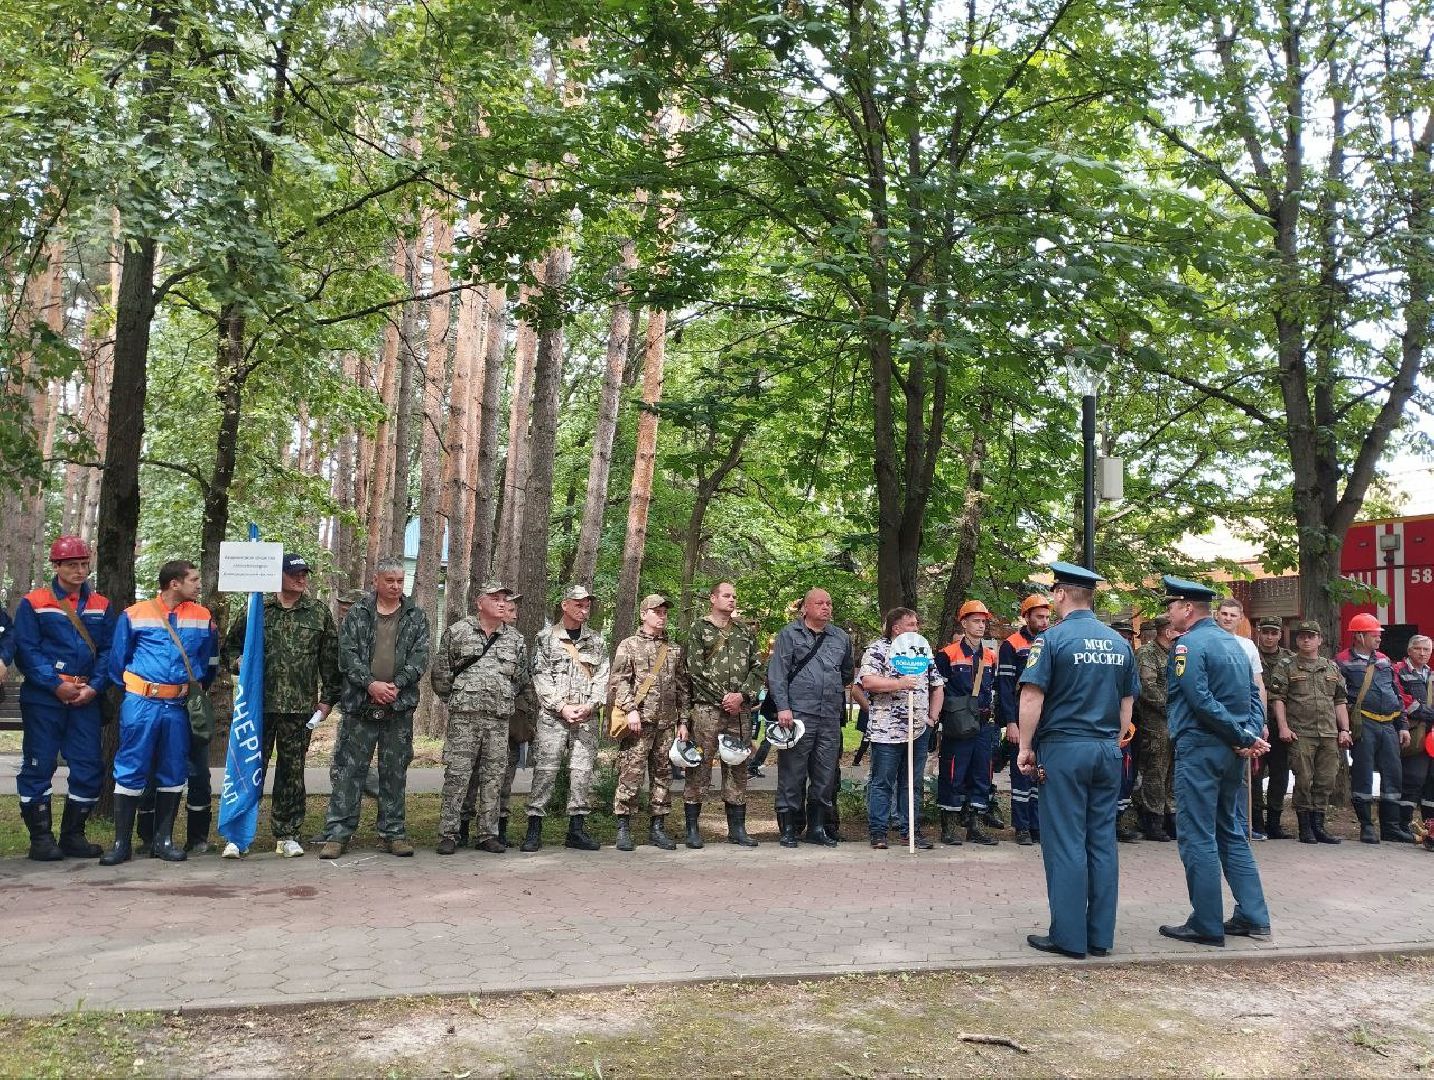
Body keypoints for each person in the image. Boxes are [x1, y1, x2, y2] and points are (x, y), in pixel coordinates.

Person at [1016, 561, 1136, 959]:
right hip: (1106, 750)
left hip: (1065, 749)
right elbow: (1126, 700)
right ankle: (1100, 936)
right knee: (1102, 840)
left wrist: (1025, 747)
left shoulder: (1051, 641)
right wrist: (1116, 738)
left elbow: (1032, 696)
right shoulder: (1119, 643)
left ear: (1062, 594)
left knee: (1066, 841)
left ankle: (1069, 937)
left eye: (1054, 593)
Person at [1158, 575, 1272, 946]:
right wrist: (1249, 734)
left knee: (1197, 834)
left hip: (1202, 748)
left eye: (1172, 605)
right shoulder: (1236, 644)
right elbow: (1254, 696)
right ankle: (1254, 916)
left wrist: (1243, 736)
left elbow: (1199, 700)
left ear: (1187, 608)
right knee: (1231, 831)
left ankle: (1205, 923)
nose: (1169, 612)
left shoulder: (1188, 646)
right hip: (1231, 751)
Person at [221, 553, 341, 858]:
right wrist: (237, 662)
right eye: (294, 574)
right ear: (277, 577)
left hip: (299, 707)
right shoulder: (257, 610)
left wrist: (327, 699)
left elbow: (330, 660)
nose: (301, 579)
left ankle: (288, 833)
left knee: (292, 773)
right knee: (249, 769)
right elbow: (231, 646)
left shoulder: (317, 612)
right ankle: (238, 835)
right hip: (258, 707)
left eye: (304, 574)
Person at [101, 560, 219, 866]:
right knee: (130, 768)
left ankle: (164, 840)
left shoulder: (203, 616)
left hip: (178, 707)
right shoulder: (134, 614)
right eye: (193, 579)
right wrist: (142, 688)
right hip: (141, 704)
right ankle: (120, 843)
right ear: (174, 584)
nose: (199, 584)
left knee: (173, 769)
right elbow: (117, 662)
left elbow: (207, 664)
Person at [319, 559, 431, 859]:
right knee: (349, 771)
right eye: (390, 581)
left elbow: (420, 657)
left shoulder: (416, 616)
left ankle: (393, 833)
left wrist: (396, 685)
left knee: (394, 772)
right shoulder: (358, 614)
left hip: (398, 705)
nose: (395, 586)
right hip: (360, 705)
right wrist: (371, 685)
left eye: (399, 580)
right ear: (376, 581)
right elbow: (348, 655)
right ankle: (338, 833)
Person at [12, 536, 115, 861]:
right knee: (38, 765)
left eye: (84, 564)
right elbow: (26, 649)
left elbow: (110, 651)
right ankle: (41, 840)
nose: (80, 570)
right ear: (56, 566)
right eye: (72, 565)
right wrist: (55, 684)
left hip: (86, 700)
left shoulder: (101, 604)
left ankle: (74, 836)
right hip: (45, 699)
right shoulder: (35, 602)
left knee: (88, 766)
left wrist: (94, 687)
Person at [431, 581, 529, 855]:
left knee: (493, 778)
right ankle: (449, 833)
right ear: (479, 603)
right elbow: (441, 674)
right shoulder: (458, 632)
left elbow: (521, 679)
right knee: (457, 776)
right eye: (495, 598)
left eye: (504, 598)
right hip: (464, 720)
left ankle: (487, 833)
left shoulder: (515, 639)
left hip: (498, 721)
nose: (501, 603)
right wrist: (457, 700)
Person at [768, 588, 853, 849]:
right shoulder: (788, 635)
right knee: (792, 772)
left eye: (829, 603)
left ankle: (817, 827)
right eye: (819, 603)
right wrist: (783, 707)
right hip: (797, 716)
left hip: (829, 716)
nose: (826, 607)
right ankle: (789, 827)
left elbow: (847, 673)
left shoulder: (840, 637)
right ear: (805, 608)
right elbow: (777, 674)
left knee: (825, 773)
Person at [682, 582, 765, 848]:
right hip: (707, 709)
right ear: (713, 598)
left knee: (738, 766)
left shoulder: (745, 631)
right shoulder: (699, 629)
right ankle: (693, 829)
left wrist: (741, 696)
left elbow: (758, 668)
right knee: (700, 766)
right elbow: (694, 669)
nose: (731, 600)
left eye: (734, 597)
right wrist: (724, 697)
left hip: (738, 711)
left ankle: (737, 828)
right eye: (726, 595)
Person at [858, 608, 943, 849]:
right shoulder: (877, 649)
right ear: (896, 628)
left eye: (917, 625)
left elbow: (937, 686)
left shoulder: (922, 651)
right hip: (887, 729)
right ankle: (878, 833)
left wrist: (932, 718)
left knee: (912, 782)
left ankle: (911, 831)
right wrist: (898, 683)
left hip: (918, 729)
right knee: (882, 781)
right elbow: (868, 682)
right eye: (912, 625)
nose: (916, 629)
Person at [611, 594, 689, 851]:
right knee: (630, 774)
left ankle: (658, 827)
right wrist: (630, 709)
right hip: (638, 722)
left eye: (665, 612)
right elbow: (619, 680)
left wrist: (683, 721)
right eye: (657, 611)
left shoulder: (674, 650)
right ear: (643, 614)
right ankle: (623, 827)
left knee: (663, 775)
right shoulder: (629, 645)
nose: (662, 616)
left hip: (667, 723)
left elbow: (682, 688)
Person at [1267, 620, 1350, 844]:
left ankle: (1319, 826)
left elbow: (1340, 700)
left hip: (1329, 733)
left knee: (1326, 780)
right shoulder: (1287, 665)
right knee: (1303, 779)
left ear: (1320, 640)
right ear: (1296, 640)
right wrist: (1283, 727)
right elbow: (1278, 699)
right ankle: (1305, 828)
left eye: (1311, 636)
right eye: (1302, 636)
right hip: (1300, 732)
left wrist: (1345, 729)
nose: (1306, 639)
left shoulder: (1331, 667)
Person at [1335, 612, 1414, 843]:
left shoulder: (1383, 659)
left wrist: (1403, 726)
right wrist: (1344, 728)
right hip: (1363, 725)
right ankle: (1367, 826)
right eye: (1375, 635)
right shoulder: (1341, 662)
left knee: (1393, 775)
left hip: (1389, 724)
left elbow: (1396, 693)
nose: (1379, 639)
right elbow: (1337, 699)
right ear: (1359, 636)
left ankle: (1390, 827)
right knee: (1362, 775)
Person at [935, 600, 1000, 846]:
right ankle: (948, 827)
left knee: (982, 773)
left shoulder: (990, 656)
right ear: (964, 623)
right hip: (958, 724)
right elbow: (936, 688)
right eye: (976, 621)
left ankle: (975, 825)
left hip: (983, 723)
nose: (981, 625)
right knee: (953, 772)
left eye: (983, 621)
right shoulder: (947, 654)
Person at [998, 594, 1050, 846]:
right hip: (1021, 715)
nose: (1044, 621)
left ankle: (1038, 825)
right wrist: (1011, 722)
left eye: (1047, 617)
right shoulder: (1011, 645)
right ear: (1026, 616)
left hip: (1046, 718)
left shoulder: (1050, 640)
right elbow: (1005, 687)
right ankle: (1022, 827)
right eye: (1039, 616)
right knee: (1021, 774)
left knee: (1041, 774)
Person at [1133, 615, 1179, 841]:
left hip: (1176, 722)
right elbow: (1147, 687)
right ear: (1167, 631)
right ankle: (1153, 819)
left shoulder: (1177, 653)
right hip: (1155, 724)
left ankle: (1172, 817)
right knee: (1155, 772)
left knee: (1173, 772)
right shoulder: (1147, 654)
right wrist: (1173, 708)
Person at [1253, 617, 1294, 839]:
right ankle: (1257, 821)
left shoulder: (1290, 659)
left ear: (1280, 634)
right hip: (1257, 720)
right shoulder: (1249, 652)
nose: (1269, 637)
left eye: (1273, 633)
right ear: (1259, 633)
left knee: (1280, 772)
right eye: (1265, 632)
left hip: (1282, 723)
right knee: (1256, 773)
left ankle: (1275, 822)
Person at [1394, 635, 1434, 851]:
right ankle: (1403, 826)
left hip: (1431, 738)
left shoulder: (1432, 675)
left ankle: (1430, 830)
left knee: (1431, 784)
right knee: (1413, 780)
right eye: (1417, 649)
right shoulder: (1398, 671)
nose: (1422, 653)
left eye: (1426, 649)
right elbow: (1406, 704)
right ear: (1409, 651)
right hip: (1412, 734)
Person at [1110, 618, 1142, 843]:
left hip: (1128, 729)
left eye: (1129, 638)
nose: (1126, 640)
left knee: (1126, 777)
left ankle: (1117, 821)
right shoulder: (1107, 660)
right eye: (1122, 636)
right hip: (1104, 727)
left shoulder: (1131, 660)